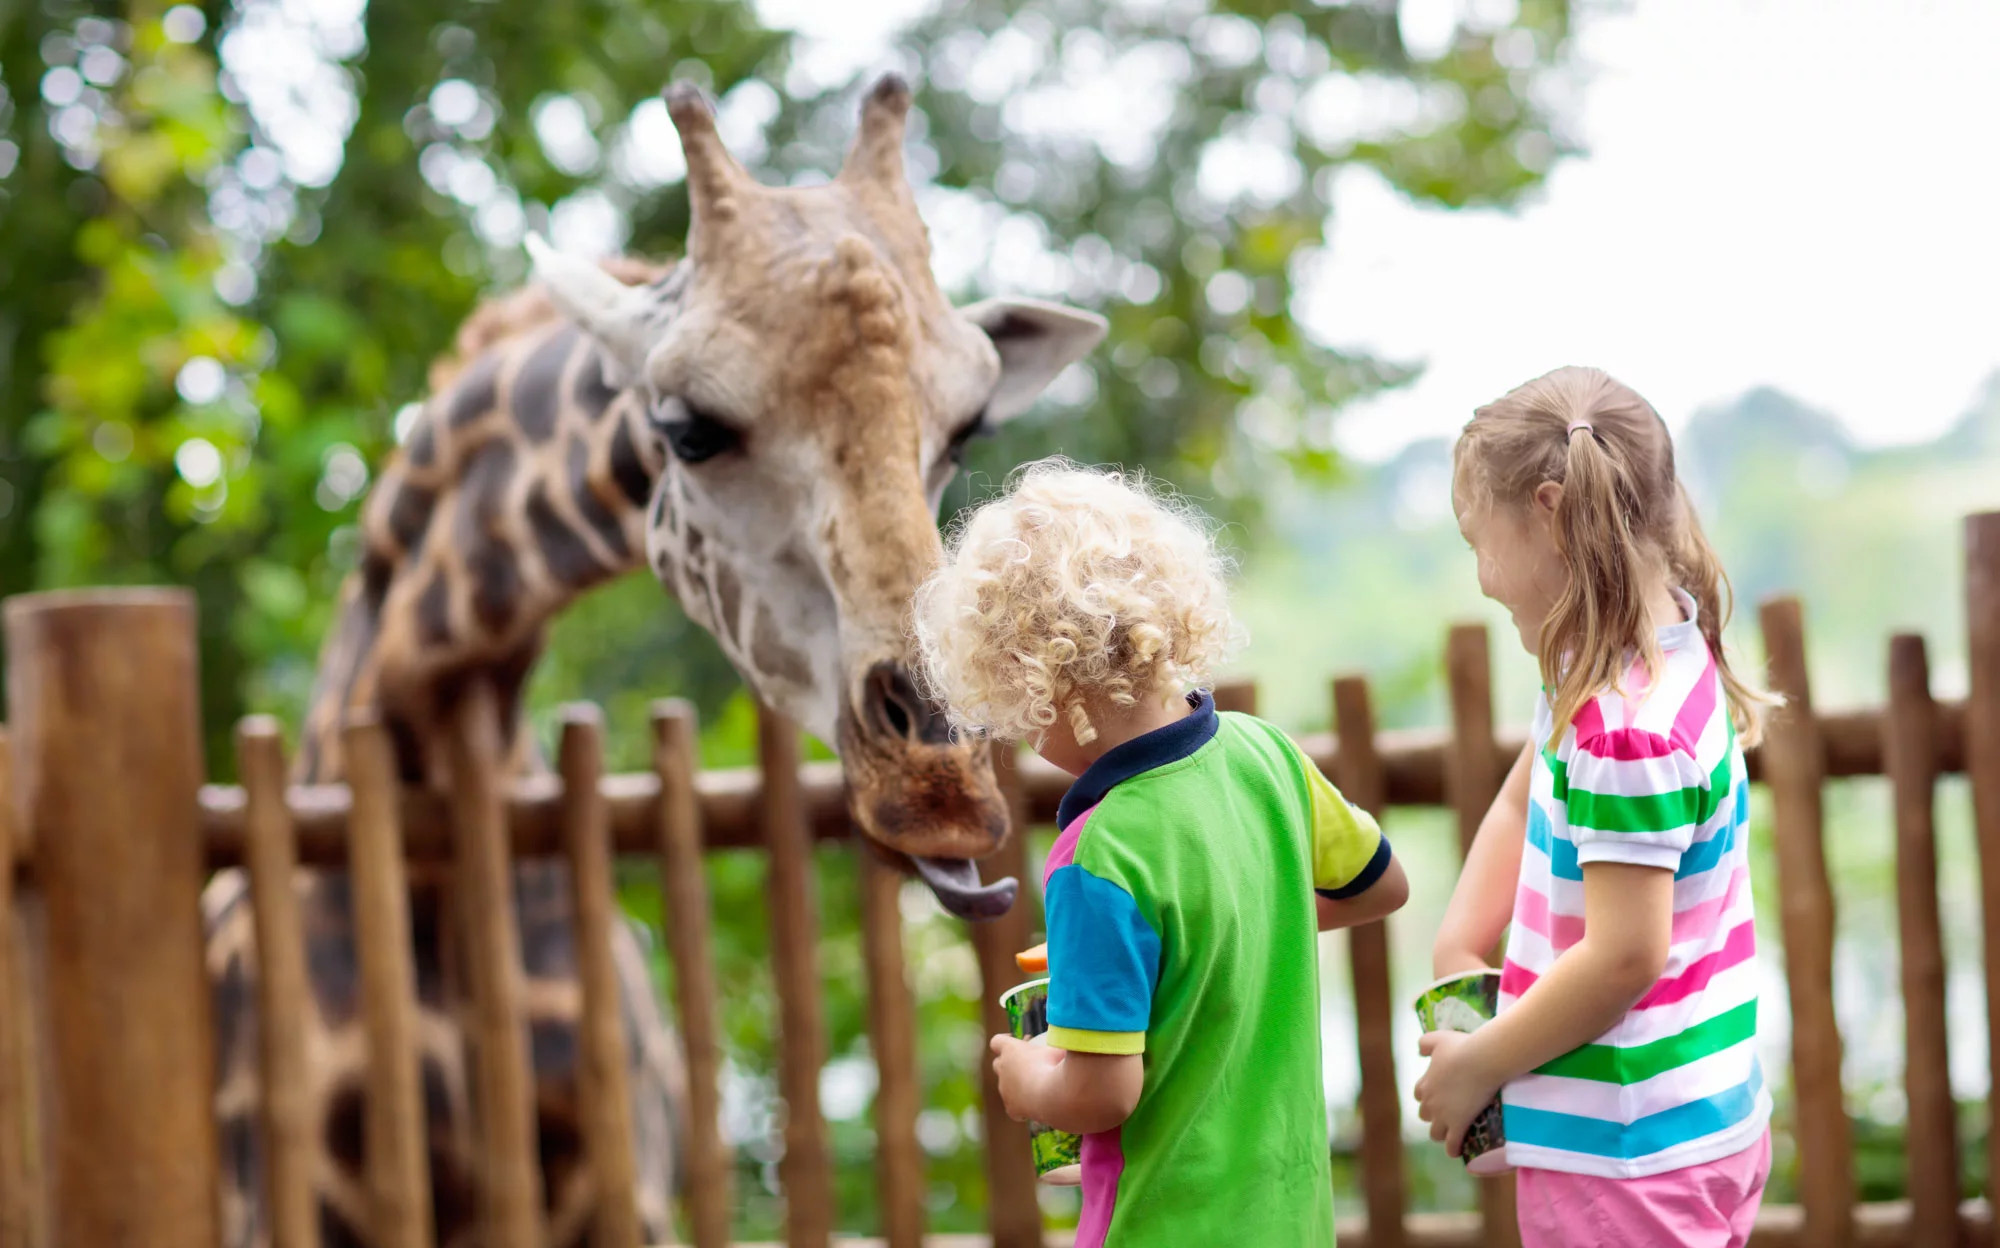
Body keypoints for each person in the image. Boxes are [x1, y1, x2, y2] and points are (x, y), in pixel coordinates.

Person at [911, 458, 1409, 1247]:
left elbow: (1102, 1093)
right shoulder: (1265, 755)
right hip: (1291, 1217)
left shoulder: (1097, 858)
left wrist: (1031, 1080)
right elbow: (1381, 887)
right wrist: (1220, 937)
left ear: (1037, 682)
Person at [1417, 367, 1775, 1246]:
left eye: (1481, 545)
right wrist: (1459, 942)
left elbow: (1623, 957)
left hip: (1629, 1161)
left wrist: (1479, 1063)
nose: (1485, 581)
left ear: (1547, 512)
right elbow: (1522, 793)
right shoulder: (1644, 656)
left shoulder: (1625, 731)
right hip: (1694, 1120)